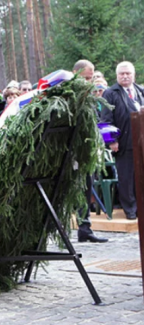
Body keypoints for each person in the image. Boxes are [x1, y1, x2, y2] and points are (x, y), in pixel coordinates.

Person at [101, 61, 144, 220]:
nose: (125, 76)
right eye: (122, 74)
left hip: (141, 142)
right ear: (117, 75)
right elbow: (105, 120)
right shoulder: (110, 93)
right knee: (126, 178)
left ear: (134, 75)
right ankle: (130, 209)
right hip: (123, 142)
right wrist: (111, 141)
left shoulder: (140, 90)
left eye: (128, 73)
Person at [73, 60, 108, 243]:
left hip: (88, 151)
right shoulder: (71, 96)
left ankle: (84, 228)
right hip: (73, 153)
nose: (88, 81)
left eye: (91, 78)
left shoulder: (91, 96)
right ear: (76, 74)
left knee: (86, 188)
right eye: (86, 77)